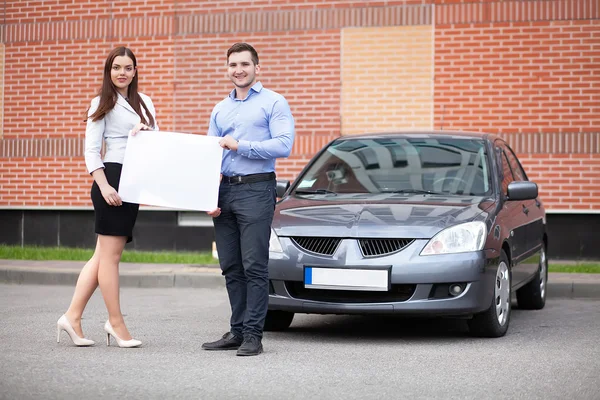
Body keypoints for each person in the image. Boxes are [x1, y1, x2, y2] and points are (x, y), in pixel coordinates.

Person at [56, 46, 158, 348]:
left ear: (135, 71)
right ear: (108, 71)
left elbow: (156, 143)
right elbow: (91, 150)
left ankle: (72, 317)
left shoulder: (146, 103)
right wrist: (103, 186)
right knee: (111, 258)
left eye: (128, 68)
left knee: (101, 255)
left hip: (133, 181)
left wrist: (144, 132)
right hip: (111, 179)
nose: (122, 73)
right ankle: (115, 323)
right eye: (116, 67)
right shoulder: (100, 102)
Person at [202, 43, 295, 356]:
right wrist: (206, 194)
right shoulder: (219, 109)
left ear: (258, 68)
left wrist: (240, 146)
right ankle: (237, 330)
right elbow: (209, 157)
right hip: (224, 192)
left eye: (244, 64)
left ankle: (254, 335)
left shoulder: (274, 102)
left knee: (254, 265)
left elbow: (283, 145)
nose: (238, 69)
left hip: (257, 189)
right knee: (231, 265)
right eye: (232, 65)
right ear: (227, 69)